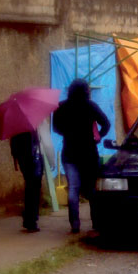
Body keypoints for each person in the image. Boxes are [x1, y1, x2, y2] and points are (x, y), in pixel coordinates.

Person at [53, 78, 111, 234]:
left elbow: (56, 128)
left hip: (70, 153)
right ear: (86, 91)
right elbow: (106, 123)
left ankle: (75, 224)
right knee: (92, 189)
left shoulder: (61, 107)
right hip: (89, 152)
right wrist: (98, 136)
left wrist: (68, 132)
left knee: (73, 189)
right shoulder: (90, 106)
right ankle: (96, 223)